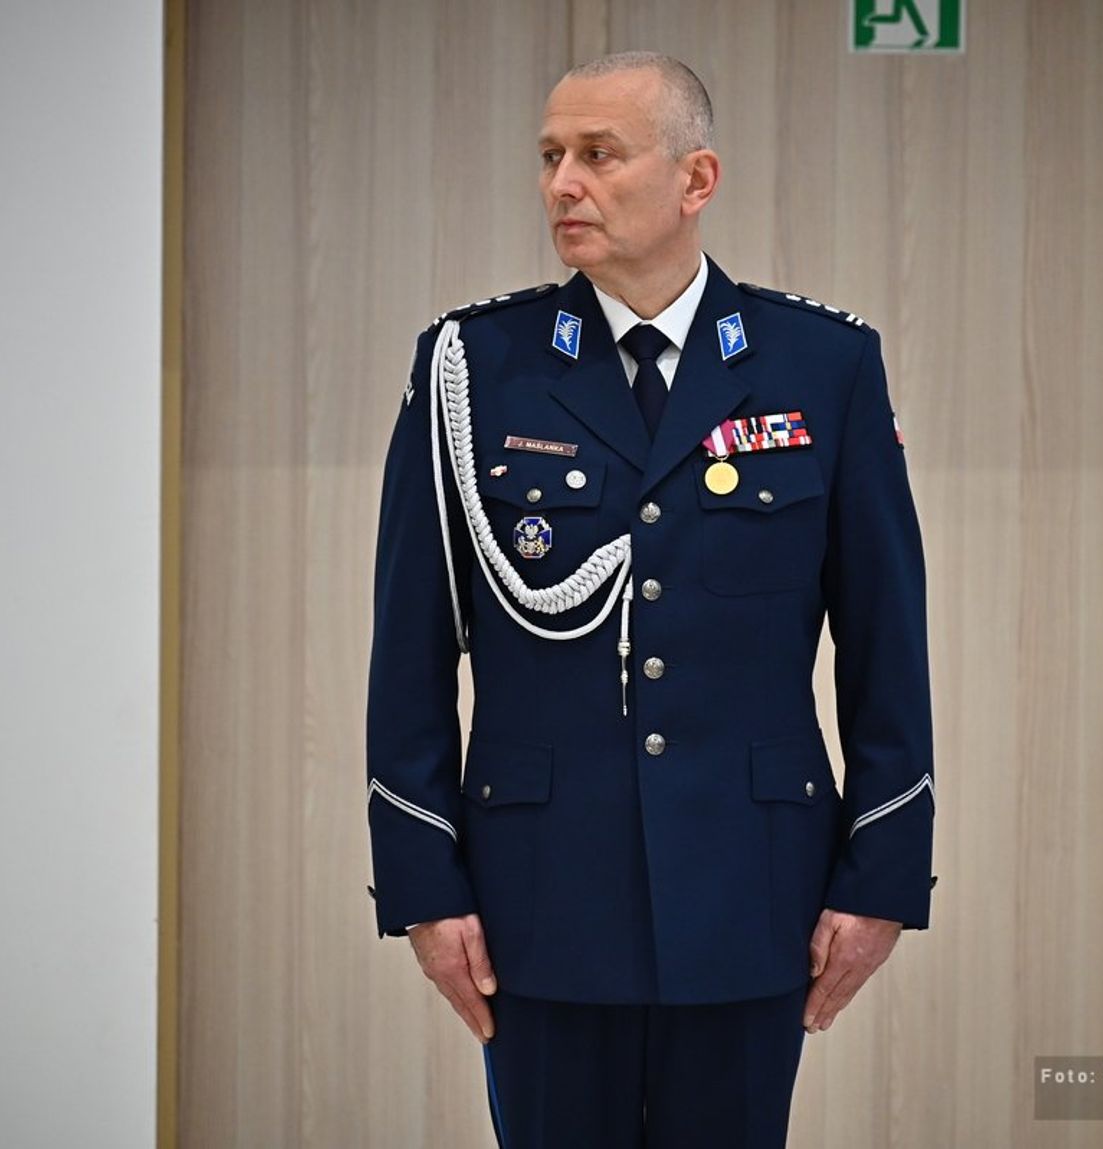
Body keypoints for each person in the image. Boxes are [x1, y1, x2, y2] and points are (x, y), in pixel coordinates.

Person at [364, 50, 936, 1149]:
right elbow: (410, 650)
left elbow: (887, 647)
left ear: (695, 179)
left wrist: (883, 878)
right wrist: (423, 885)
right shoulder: (472, 367)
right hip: (540, 898)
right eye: (550, 157)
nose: (562, 184)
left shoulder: (822, 366)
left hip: (752, 891)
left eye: (599, 154)